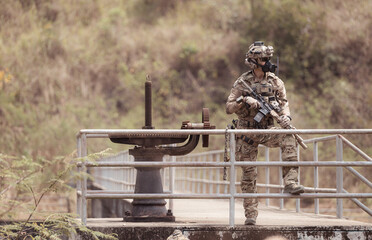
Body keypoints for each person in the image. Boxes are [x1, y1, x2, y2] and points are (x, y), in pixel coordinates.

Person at [225, 41, 305, 225]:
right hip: (246, 131)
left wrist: (286, 118)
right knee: (248, 175)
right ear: (253, 61)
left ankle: (291, 182)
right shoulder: (242, 82)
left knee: (288, 135)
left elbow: (284, 104)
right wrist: (244, 100)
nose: (267, 62)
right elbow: (228, 108)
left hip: (267, 128)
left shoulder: (276, 82)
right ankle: (251, 214)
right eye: (263, 59)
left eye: (268, 58)